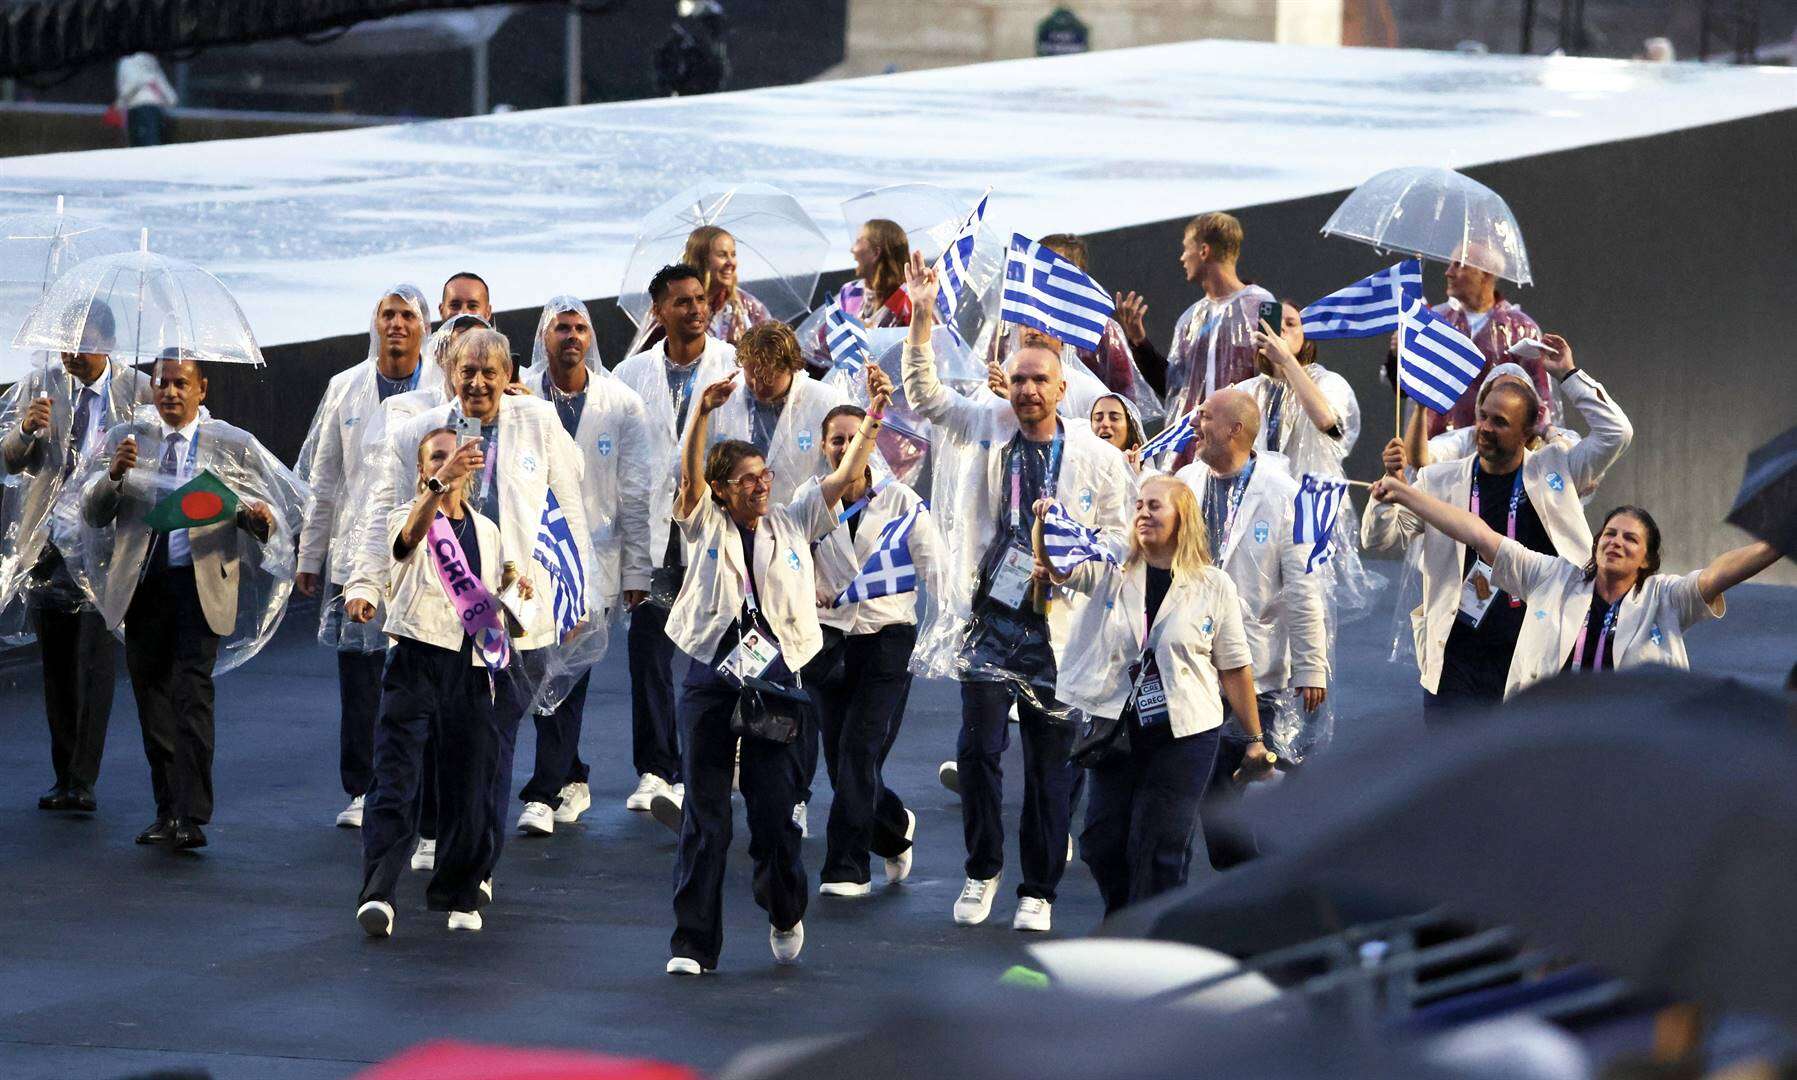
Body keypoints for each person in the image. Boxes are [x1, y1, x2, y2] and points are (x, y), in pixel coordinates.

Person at [901, 251, 1132, 934]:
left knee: (1049, 764)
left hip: (1059, 630)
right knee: (976, 752)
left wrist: (1071, 566)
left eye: (1040, 382)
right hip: (989, 618)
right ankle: (981, 870)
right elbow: (926, 397)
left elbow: (1119, 539)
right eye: (1021, 380)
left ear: (1063, 391)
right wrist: (919, 315)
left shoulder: (1097, 457)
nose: (1028, 391)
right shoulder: (989, 425)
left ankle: (1039, 888)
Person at [663, 362, 888, 974]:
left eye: (763, 476)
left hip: (778, 682)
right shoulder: (702, 522)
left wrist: (873, 416)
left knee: (773, 817)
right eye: (746, 480)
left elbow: (844, 475)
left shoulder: (793, 519)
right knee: (705, 818)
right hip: (713, 676)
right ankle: (692, 944)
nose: (761, 486)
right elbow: (686, 479)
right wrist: (700, 414)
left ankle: (786, 909)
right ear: (721, 491)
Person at [347, 328, 591, 894]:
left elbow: (570, 510)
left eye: (491, 372)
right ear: (449, 373)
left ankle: (477, 860)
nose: (478, 382)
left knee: (495, 743)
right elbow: (381, 511)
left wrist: (577, 597)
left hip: (511, 615)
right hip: (432, 614)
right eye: (467, 371)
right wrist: (364, 583)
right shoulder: (418, 430)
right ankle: (441, 835)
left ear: (510, 375)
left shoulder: (539, 422)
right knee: (432, 746)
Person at [80, 355, 292, 850]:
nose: (171, 392)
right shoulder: (128, 439)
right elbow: (92, 513)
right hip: (143, 588)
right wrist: (113, 474)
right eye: (162, 383)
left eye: (181, 384)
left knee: (191, 697)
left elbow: (261, 513)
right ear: (151, 388)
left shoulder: (229, 445)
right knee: (152, 701)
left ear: (201, 390)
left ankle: (191, 815)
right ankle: (166, 810)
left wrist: (260, 519)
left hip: (199, 588)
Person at [1361, 336, 1633, 721]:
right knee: (1450, 776)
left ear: (1528, 433)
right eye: (1483, 416)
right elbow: (1378, 538)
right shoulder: (1439, 482)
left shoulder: (1559, 468)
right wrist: (1386, 490)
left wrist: (1568, 375)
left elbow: (1617, 433)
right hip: (1458, 661)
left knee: (1523, 777)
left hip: (1537, 656)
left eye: (1500, 422)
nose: (1485, 428)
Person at [1036, 474, 1270, 914]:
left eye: (1155, 506)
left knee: (1160, 844)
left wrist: (1255, 740)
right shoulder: (1110, 569)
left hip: (1187, 733)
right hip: (1118, 729)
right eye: (1139, 505)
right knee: (1101, 842)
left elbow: (1235, 667)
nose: (1143, 512)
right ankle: (1123, 916)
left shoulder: (1214, 585)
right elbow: (1057, 568)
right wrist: (1044, 525)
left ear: (1183, 518)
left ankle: (1146, 937)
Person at [1369, 480, 1783, 696]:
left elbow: (1720, 573)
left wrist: (1783, 538)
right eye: (1610, 533)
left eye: (1630, 539)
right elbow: (1479, 534)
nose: (1616, 542)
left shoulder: (1665, 598)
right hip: (1548, 738)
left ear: (1647, 560)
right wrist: (1407, 494)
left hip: (1628, 750)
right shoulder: (1553, 577)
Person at [355, 427, 530, 936]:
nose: (446, 464)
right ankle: (379, 894)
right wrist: (436, 487)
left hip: (472, 667)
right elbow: (406, 541)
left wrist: (514, 598)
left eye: (454, 457)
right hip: (415, 660)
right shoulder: (407, 516)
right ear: (421, 469)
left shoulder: (489, 531)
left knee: (470, 781)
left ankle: (458, 889)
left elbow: (494, 598)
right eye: (435, 458)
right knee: (397, 780)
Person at [0, 302, 152, 813]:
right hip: (47, 547)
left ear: (106, 342)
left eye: (81, 346)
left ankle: (84, 777)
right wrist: (25, 430)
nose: (70, 356)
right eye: (65, 345)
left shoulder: (139, 392)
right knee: (57, 666)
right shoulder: (42, 385)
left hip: (104, 546)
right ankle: (63, 772)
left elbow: (160, 461)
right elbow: (9, 458)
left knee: (95, 661)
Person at [513, 297, 653, 836]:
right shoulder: (519, 396)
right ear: (543, 338)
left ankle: (543, 792)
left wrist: (638, 571)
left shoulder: (622, 403)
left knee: (568, 669)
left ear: (592, 338)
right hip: (529, 559)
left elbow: (636, 490)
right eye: (560, 328)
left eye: (580, 328)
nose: (571, 336)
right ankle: (571, 775)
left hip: (596, 561)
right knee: (534, 669)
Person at [295, 285, 430, 829]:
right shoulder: (344, 387)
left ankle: (415, 783)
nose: (395, 324)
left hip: (421, 550)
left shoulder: (441, 390)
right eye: (387, 314)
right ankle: (362, 787)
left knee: (416, 669)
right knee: (357, 673)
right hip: (355, 550)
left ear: (425, 327)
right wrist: (311, 554)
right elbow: (324, 476)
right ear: (374, 323)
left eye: (407, 315)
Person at [613, 264, 740, 818]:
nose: (695, 308)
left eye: (700, 299)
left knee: (719, 649)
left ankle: (712, 764)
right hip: (657, 538)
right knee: (649, 650)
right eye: (682, 301)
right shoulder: (628, 374)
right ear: (658, 311)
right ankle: (656, 769)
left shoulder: (733, 366)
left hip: (714, 533)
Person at [806, 403, 946, 895]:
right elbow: (783, 566)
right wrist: (807, 594)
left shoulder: (902, 502)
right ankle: (892, 828)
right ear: (823, 447)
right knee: (841, 760)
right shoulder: (810, 501)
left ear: (873, 443)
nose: (846, 447)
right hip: (825, 640)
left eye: (855, 437)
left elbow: (937, 570)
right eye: (836, 440)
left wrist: (951, 628)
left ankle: (846, 866)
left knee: (859, 750)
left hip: (888, 638)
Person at [1172, 388, 1327, 799]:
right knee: (1198, 788)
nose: (1194, 424)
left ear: (1235, 429)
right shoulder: (1185, 482)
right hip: (1190, 655)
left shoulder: (1287, 494)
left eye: (1204, 416)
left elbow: (1303, 586)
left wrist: (1311, 666)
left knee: (1239, 785)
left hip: (1254, 664)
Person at [1240, 302, 1384, 622]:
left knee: (1305, 614)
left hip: (1308, 516)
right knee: (1255, 615)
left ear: (1307, 337)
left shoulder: (1328, 383)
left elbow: (1329, 424)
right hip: (1258, 514)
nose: (1281, 330)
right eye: (1274, 323)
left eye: (1291, 324)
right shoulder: (1247, 391)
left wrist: (1288, 362)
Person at [988, 234, 1162, 420]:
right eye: (1040, 265)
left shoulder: (1101, 330)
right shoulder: (1012, 323)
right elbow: (992, 379)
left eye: (1055, 268)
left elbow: (1123, 396)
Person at [1420, 245, 1550, 438]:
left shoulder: (1520, 330)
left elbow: (1541, 401)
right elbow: (1409, 385)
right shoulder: (1438, 322)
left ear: (1486, 274)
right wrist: (1399, 355)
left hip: (1495, 451)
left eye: (1460, 265)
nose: (1448, 273)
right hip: (1438, 449)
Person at [1156, 212, 1274, 422]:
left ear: (1203, 250)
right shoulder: (1190, 320)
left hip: (1248, 442)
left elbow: (1275, 379)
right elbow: (1177, 390)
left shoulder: (1264, 306)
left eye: (1186, 248)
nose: (1182, 258)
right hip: (1197, 448)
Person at [684, 225, 772, 345]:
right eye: (722, 255)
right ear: (702, 260)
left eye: (733, 254)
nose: (731, 263)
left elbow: (773, 352)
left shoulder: (748, 307)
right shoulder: (676, 307)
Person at [837, 219, 912, 328]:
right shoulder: (849, 291)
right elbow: (827, 339)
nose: (852, 249)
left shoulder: (909, 298)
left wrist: (871, 335)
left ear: (875, 252)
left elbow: (926, 341)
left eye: (858, 241)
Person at [114, 53, 175, 147]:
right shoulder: (150, 60)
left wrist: (120, 103)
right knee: (151, 145)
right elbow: (166, 90)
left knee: (140, 146)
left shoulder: (126, 61)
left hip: (138, 108)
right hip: (153, 109)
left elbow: (127, 87)